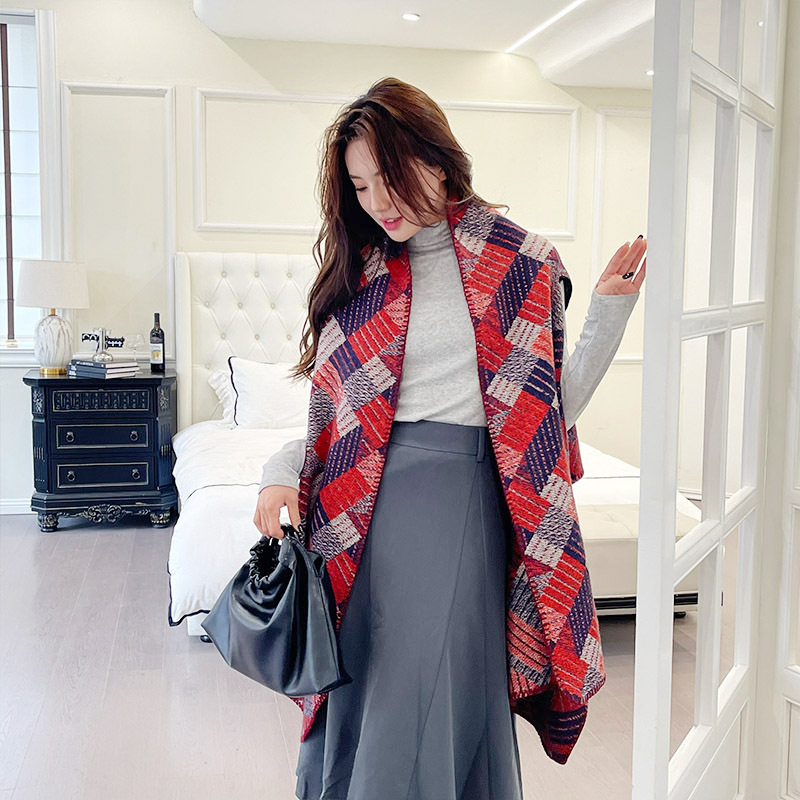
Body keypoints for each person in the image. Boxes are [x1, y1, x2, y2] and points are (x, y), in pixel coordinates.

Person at [253, 77, 645, 800]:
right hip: (355, 513)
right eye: (360, 186)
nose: (377, 202)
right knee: (364, 678)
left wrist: (607, 316)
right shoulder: (364, 271)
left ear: (436, 160)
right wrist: (279, 471)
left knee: (429, 684)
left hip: (460, 502)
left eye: (387, 178)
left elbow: (543, 416)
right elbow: (329, 413)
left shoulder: (516, 263)